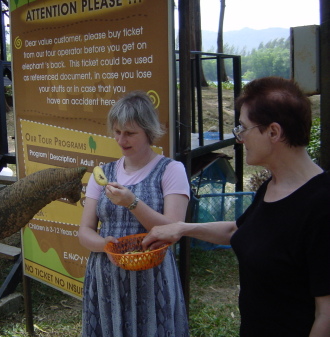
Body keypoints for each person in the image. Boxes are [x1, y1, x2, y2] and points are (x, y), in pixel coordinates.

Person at [142, 77, 330, 337]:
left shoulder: (322, 205)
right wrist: (180, 228)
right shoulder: (271, 188)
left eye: (243, 128)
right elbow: (239, 230)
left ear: (274, 132)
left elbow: (326, 315)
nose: (239, 138)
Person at [79, 91, 190, 337]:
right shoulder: (103, 174)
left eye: (130, 133)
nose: (121, 140)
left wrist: (132, 202)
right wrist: (103, 244)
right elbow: (84, 230)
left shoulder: (171, 170)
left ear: (148, 131)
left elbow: (174, 231)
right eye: (117, 132)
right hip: (106, 276)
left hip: (152, 278)